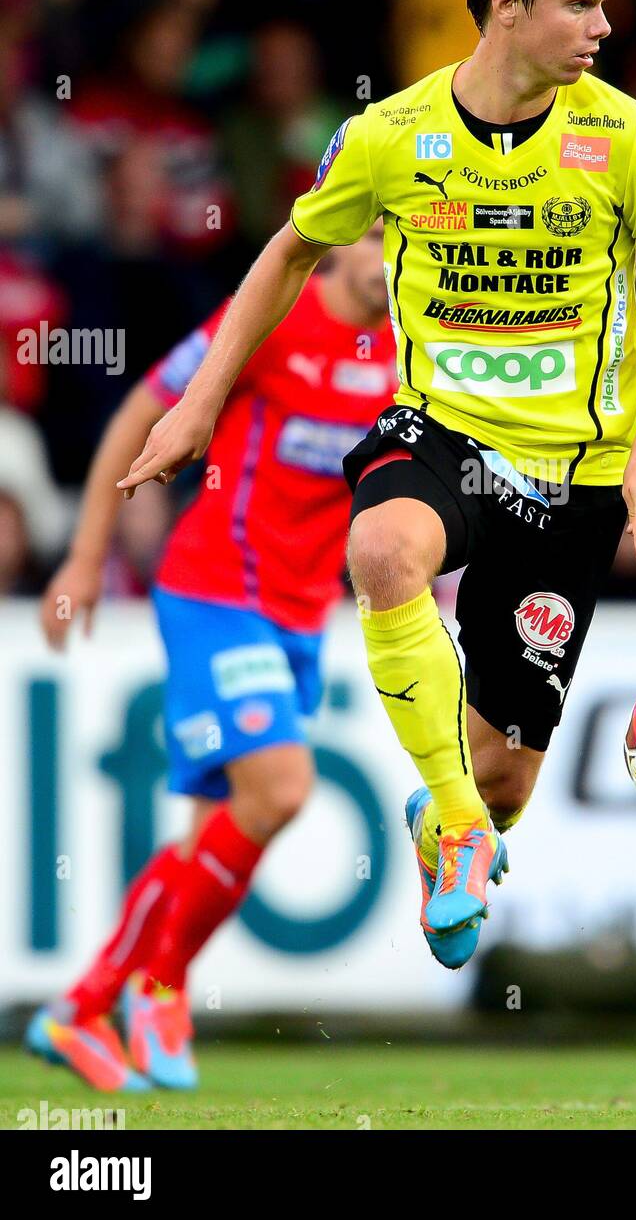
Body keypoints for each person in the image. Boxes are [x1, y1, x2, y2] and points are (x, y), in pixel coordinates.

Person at [116, 0, 636, 974]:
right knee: (384, 545)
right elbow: (288, 252)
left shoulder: (627, 141)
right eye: (580, 2)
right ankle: (451, 823)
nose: (603, 24)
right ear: (502, 3)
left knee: (506, 780)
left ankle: (457, 810)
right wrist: (200, 403)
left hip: (573, 468)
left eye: (605, 1)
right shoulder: (389, 137)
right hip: (438, 429)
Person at [25, 221, 395, 1091]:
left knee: (212, 843)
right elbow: (138, 412)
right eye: (379, 232)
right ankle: (157, 990)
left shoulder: (415, 345)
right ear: (338, 241)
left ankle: (78, 1010)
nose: (393, 251)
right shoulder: (267, 315)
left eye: (406, 232)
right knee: (284, 787)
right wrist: (85, 556)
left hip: (302, 615)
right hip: (215, 591)